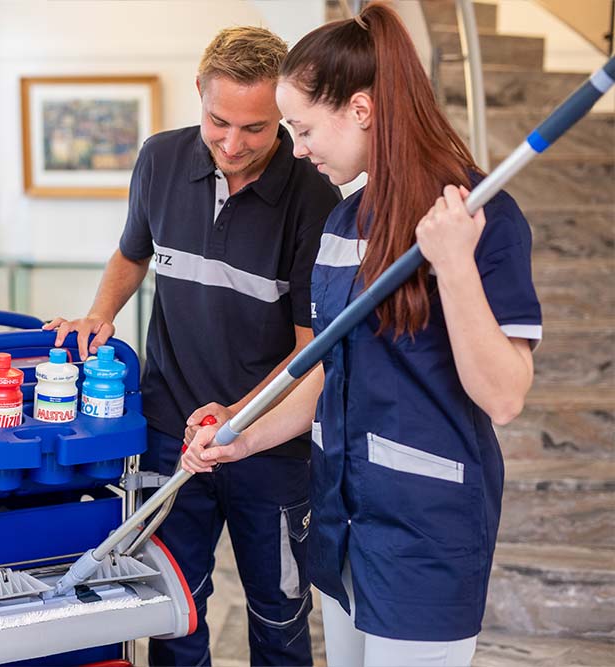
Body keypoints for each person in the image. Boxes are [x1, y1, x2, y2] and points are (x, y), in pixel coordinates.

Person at [183, 5, 541, 667]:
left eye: (303, 128)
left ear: (361, 109)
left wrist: (455, 265)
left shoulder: (478, 216)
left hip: (425, 537)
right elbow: (327, 366)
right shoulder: (344, 222)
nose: (297, 148)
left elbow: (505, 395)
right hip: (342, 526)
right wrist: (242, 434)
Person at [44, 26, 339, 667]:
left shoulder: (315, 195)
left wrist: (239, 422)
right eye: (218, 122)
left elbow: (309, 352)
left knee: (280, 615)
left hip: (270, 445)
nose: (232, 145)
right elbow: (132, 253)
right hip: (170, 431)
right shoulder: (159, 159)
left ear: (284, 111)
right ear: (199, 91)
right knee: (173, 610)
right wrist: (99, 315)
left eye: (256, 128)